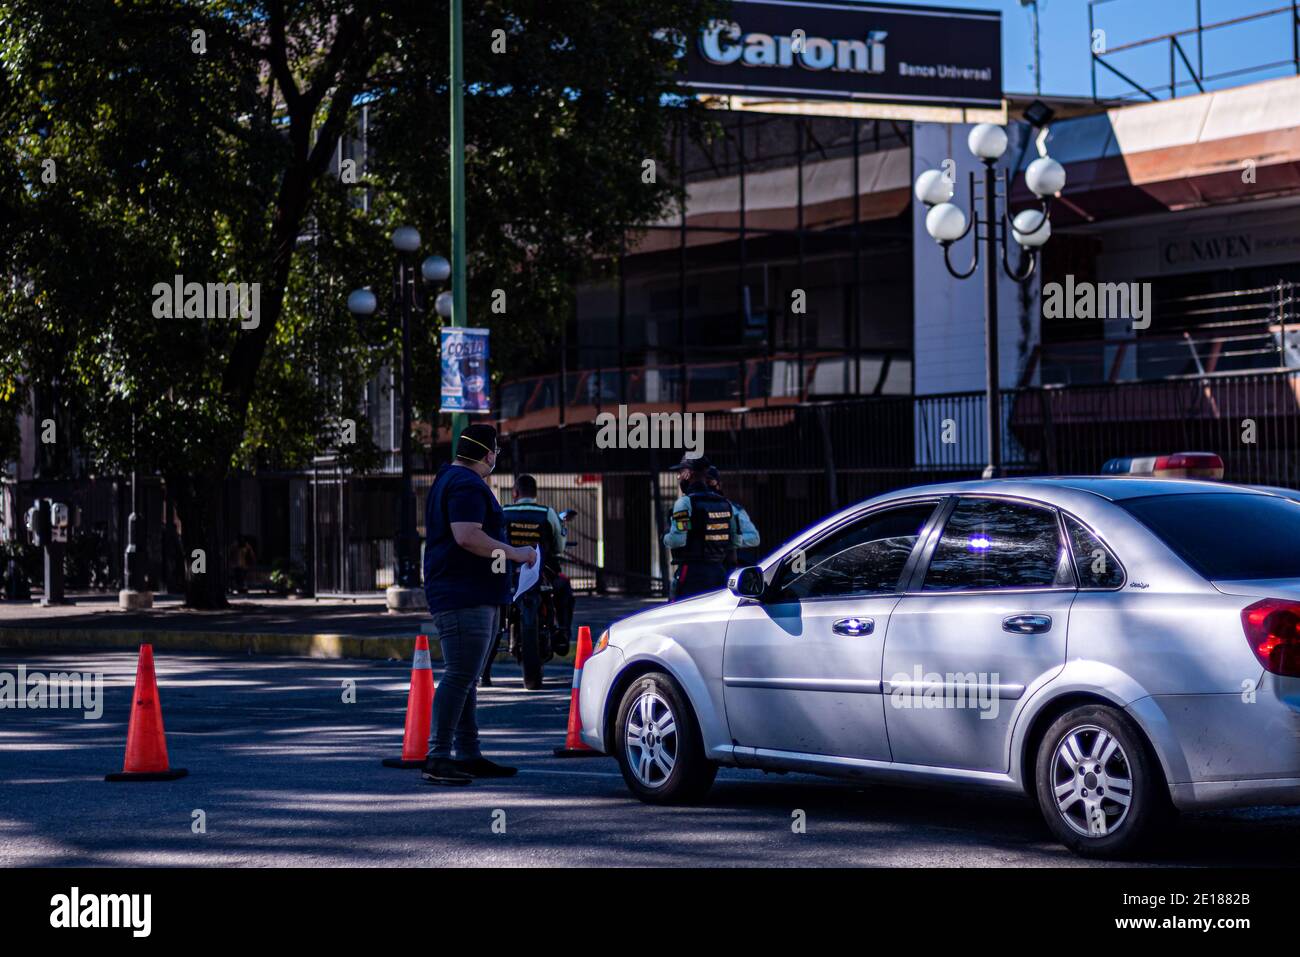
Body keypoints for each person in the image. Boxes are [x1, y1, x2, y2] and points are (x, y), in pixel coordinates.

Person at [421, 423, 537, 786]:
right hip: (463, 594)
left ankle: (467, 753)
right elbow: (467, 535)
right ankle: (438, 756)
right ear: (488, 454)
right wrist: (517, 553)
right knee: (459, 675)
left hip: (471, 592)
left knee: (467, 678)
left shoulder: (451, 478)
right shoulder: (467, 484)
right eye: (496, 454)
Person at [484, 474, 571, 687]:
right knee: (565, 590)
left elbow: (494, 542)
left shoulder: (504, 512)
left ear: (515, 493)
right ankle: (563, 634)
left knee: (496, 617)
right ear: (535, 493)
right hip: (542, 573)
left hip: (509, 574)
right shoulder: (547, 513)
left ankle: (484, 673)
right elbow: (559, 545)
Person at [662, 454, 740, 601]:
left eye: (681, 473)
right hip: (719, 572)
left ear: (689, 473)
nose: (679, 477)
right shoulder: (725, 503)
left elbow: (677, 540)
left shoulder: (684, 503)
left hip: (692, 573)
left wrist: (665, 537)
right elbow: (735, 541)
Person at [706, 465, 761, 568]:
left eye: (709, 482)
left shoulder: (733, 509)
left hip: (725, 566)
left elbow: (754, 538)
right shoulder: (691, 509)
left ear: (718, 485)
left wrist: (728, 540)